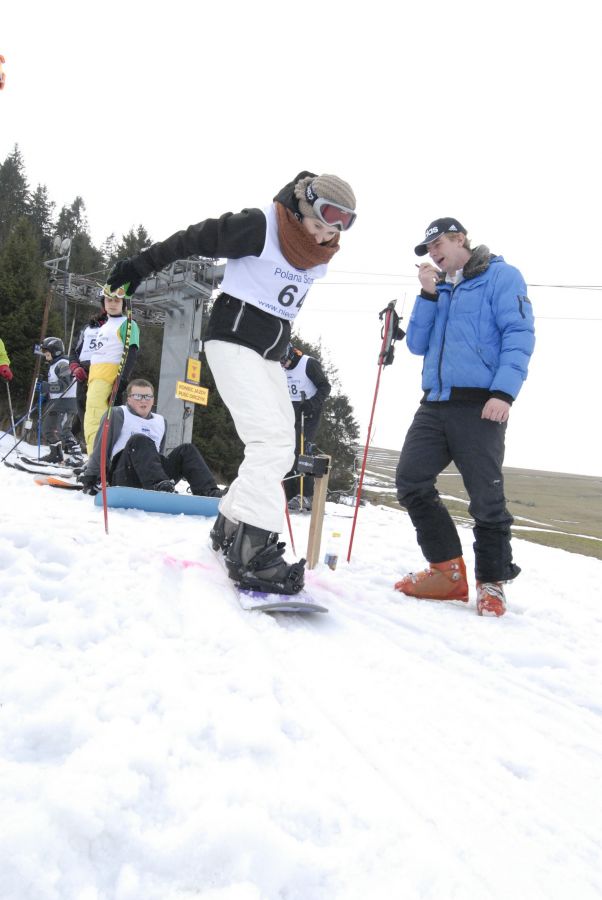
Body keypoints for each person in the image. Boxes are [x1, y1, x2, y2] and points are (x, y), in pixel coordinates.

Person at [106, 170, 357, 594]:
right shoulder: (262, 226)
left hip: (269, 356)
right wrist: (139, 266)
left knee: (283, 449)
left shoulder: (317, 250)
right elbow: (192, 238)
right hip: (233, 341)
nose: (319, 239)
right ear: (302, 209)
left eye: (330, 233)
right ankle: (253, 554)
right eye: (316, 226)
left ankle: (231, 525)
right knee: (270, 443)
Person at [394, 217, 535, 617]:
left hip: (480, 403)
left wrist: (504, 392)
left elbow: (518, 334)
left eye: (438, 244)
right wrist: (427, 295)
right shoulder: (439, 289)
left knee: (486, 497)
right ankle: (446, 572)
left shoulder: (501, 277)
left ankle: (492, 582)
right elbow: (417, 344)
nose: (433, 253)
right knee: (411, 480)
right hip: (434, 402)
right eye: (428, 249)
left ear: (459, 239)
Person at [79, 378, 224, 497]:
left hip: (150, 476)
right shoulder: (118, 414)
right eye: (138, 396)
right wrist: (91, 477)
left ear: (153, 399)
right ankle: (159, 486)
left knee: (187, 449)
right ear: (128, 399)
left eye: (148, 396)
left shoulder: (160, 421)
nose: (143, 401)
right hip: (124, 474)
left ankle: (209, 492)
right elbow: (102, 448)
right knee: (139, 440)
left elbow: (157, 456)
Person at [83, 287, 139, 454]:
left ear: (123, 304)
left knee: (97, 418)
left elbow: (131, 353)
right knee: (91, 418)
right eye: (109, 300)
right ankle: (94, 457)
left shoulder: (127, 324)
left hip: (108, 377)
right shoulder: (104, 326)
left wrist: (122, 381)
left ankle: (97, 458)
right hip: (95, 377)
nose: (112, 304)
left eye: (117, 300)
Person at [280, 343, 331, 511]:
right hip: (290, 410)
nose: (284, 366)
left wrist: (312, 404)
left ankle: (306, 495)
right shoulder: (281, 366)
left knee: (302, 450)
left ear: (291, 354)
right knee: (285, 450)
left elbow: (325, 387)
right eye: (281, 363)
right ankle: (288, 494)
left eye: (285, 362)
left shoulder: (308, 364)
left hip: (309, 411)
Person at [69, 293, 108, 449]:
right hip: (84, 373)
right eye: (105, 304)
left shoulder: (118, 326)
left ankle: (98, 447)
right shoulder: (88, 328)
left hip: (103, 372)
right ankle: (85, 444)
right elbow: (74, 351)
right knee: (82, 409)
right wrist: (75, 367)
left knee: (98, 411)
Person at [38, 336, 83, 464]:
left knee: (64, 429)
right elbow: (55, 385)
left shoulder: (63, 363)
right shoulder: (53, 365)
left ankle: (77, 457)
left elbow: (65, 384)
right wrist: (46, 394)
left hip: (67, 402)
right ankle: (56, 454)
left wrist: (46, 387)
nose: (46, 357)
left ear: (55, 352)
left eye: (47, 354)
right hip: (56, 402)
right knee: (47, 428)